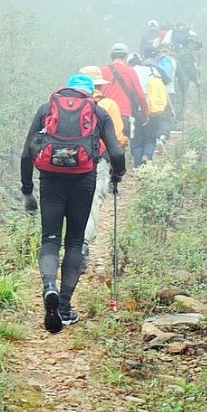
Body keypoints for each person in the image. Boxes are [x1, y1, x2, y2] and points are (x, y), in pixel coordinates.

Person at [20, 74, 126, 333]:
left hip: (50, 181)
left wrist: (27, 190)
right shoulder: (99, 113)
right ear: (90, 93)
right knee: (75, 242)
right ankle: (65, 306)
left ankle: (49, 288)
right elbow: (117, 152)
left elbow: (27, 151)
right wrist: (117, 175)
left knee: (50, 239)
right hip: (83, 181)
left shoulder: (46, 110)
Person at [77, 65, 126, 269]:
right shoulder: (108, 105)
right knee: (92, 202)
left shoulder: (66, 103)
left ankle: (68, 244)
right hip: (97, 161)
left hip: (68, 163)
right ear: (100, 86)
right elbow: (118, 139)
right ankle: (82, 246)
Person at [101, 42, 149, 142]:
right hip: (122, 114)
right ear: (126, 56)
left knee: (104, 146)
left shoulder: (102, 71)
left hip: (104, 114)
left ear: (111, 56)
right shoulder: (130, 71)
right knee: (120, 146)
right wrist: (145, 114)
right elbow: (141, 95)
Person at [128, 52, 164, 166]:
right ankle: (146, 156)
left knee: (137, 139)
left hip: (136, 111)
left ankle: (138, 165)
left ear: (129, 63)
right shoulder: (152, 71)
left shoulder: (129, 73)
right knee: (150, 137)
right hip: (152, 109)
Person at [156, 43, 179, 137]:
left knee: (163, 115)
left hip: (165, 91)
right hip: (169, 91)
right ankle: (162, 137)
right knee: (164, 115)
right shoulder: (172, 61)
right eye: (159, 51)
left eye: (164, 51)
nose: (162, 53)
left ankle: (161, 137)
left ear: (169, 51)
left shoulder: (167, 60)